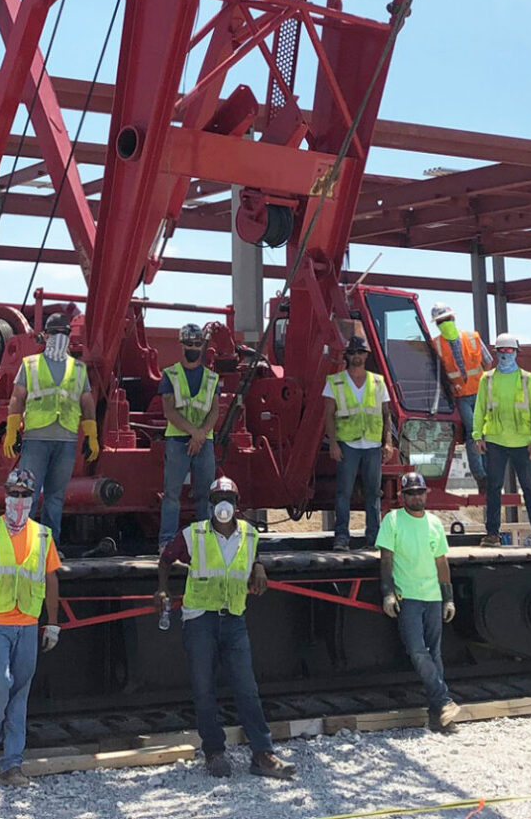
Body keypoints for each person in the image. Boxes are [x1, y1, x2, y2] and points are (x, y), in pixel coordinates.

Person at [155, 476, 297, 780]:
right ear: (210, 504)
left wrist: (259, 565)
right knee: (204, 689)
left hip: (234, 618)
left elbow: (251, 556)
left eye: (229, 500)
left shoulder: (249, 533)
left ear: (237, 504)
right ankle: (214, 752)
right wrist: (163, 589)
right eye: (219, 499)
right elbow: (166, 558)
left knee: (247, 688)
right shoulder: (194, 534)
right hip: (200, 620)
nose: (224, 505)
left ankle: (263, 754)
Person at [0, 467, 61, 787]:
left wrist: (53, 624)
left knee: (19, 693)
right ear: (5, 496)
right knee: (0, 684)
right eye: (14, 494)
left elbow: (51, 579)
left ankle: (12, 764)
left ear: (34, 499)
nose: (18, 500)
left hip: (28, 624)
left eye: (25, 495)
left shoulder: (43, 535)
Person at [3, 310, 99, 545]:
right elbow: (17, 398)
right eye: (55, 333)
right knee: (27, 496)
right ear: (45, 335)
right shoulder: (31, 364)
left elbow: (87, 402)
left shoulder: (78, 369)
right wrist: (12, 430)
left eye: (64, 333)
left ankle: (49, 547)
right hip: (36, 438)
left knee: (55, 498)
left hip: (66, 439)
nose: (59, 337)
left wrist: (92, 435)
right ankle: (22, 545)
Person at [377, 471, 463, 733]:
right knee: (417, 650)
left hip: (433, 596)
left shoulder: (435, 523)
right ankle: (444, 700)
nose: (415, 496)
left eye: (419, 492)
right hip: (409, 596)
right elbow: (386, 560)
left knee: (434, 653)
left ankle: (439, 717)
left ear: (426, 493)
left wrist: (448, 597)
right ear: (403, 497)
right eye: (410, 493)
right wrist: (388, 593)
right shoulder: (392, 521)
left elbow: (441, 562)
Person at [322, 326, 398, 549]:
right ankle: (342, 537)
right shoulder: (335, 382)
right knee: (343, 492)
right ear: (348, 356)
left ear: (366, 355)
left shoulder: (378, 381)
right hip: (348, 444)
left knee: (373, 493)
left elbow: (386, 415)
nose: (356, 356)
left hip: (373, 444)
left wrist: (388, 442)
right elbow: (328, 415)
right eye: (353, 352)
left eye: (360, 352)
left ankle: (373, 538)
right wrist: (333, 444)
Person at [470, 335, 531, 546]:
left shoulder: (526, 379)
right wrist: (477, 435)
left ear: (516, 353)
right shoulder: (486, 379)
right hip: (495, 442)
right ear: (496, 353)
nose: (505, 355)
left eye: (509, 351)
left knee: (530, 488)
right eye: (501, 351)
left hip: (522, 443)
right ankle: (492, 534)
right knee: (494, 488)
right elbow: (479, 410)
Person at [158, 322, 220, 548]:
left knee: (207, 494)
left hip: (204, 441)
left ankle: (207, 541)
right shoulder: (170, 374)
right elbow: (169, 410)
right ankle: (167, 542)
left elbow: (215, 410)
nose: (194, 347)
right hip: (178, 440)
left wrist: (200, 435)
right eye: (190, 343)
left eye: (198, 343)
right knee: (172, 494)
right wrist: (196, 433)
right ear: (181, 345)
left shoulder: (211, 378)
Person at [429, 304, 490, 487]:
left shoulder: (472, 338)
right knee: (473, 433)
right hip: (461, 396)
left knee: (485, 434)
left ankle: (487, 474)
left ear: (453, 319)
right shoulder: (437, 345)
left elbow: (487, 362)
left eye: (447, 320)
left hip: (479, 393)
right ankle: (481, 476)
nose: (445, 323)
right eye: (441, 322)